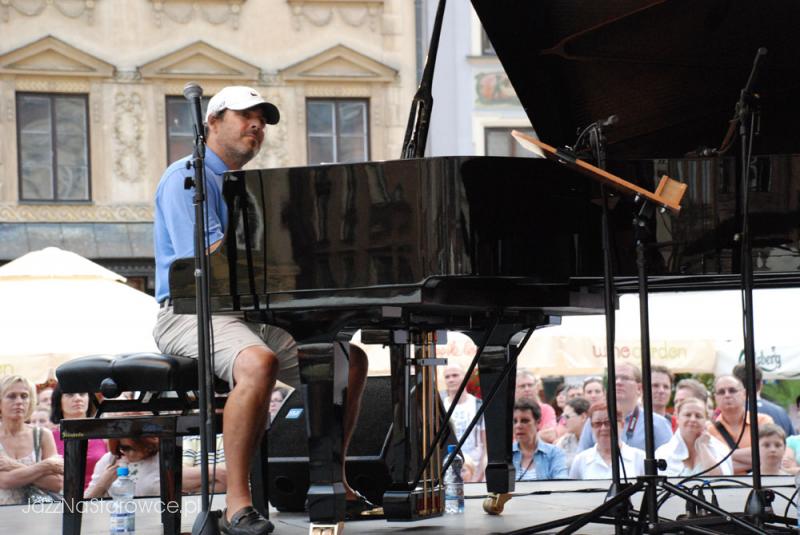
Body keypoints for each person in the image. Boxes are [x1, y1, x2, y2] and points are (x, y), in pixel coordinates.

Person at [153, 85, 372, 532]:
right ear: (212, 121)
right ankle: (237, 503)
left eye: (262, 119)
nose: (256, 124)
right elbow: (208, 260)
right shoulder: (186, 177)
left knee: (349, 362)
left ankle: (333, 483)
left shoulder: (250, 187)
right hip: (188, 311)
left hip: (248, 314)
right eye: (244, 115)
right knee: (258, 362)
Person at [577, 363, 672, 452]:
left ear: (639, 388)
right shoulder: (595, 420)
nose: (618, 382)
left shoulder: (656, 423)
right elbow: (582, 458)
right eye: (615, 378)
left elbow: (669, 460)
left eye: (625, 378)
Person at [0, 375, 64, 505]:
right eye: (12, 396)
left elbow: (56, 483)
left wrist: (13, 465)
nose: (19, 401)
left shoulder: (42, 435)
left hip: (37, 513)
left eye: (24, 396)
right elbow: (5, 481)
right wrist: (46, 466)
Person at [706, 375, 773, 475]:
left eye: (732, 390)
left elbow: (768, 455)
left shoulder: (762, 421)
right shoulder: (709, 430)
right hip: (726, 484)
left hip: (759, 483)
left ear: (744, 394)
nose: (727, 395)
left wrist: (722, 456)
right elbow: (712, 468)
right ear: (715, 398)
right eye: (721, 392)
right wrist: (755, 459)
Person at [49, 384, 107, 491]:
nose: (77, 398)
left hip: (100, 497)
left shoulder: (104, 435)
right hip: (61, 497)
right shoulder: (49, 437)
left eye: (82, 394)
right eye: (70, 394)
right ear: (59, 401)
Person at [655, 397, 732, 477]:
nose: (693, 419)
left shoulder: (720, 449)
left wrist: (703, 447)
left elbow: (721, 480)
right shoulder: (663, 453)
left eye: (698, 416)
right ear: (677, 418)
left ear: (706, 420)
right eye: (687, 415)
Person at [569, 400, 645, 479]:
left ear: (622, 424)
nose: (603, 428)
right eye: (597, 423)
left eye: (608, 423)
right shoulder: (581, 460)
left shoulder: (639, 458)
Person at [441, 363, 487, 481]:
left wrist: (479, 474)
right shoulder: (441, 408)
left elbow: (486, 445)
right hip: (449, 473)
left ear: (465, 377)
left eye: (455, 375)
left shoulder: (478, 405)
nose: (451, 380)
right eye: (447, 377)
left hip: (476, 472)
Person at [732, 363, 795, 437]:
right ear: (761, 383)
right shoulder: (781, 412)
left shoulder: (732, 412)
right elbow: (791, 442)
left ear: (735, 384)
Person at [512, 399, 568, 480]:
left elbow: (561, 483)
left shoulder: (554, 453)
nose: (518, 426)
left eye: (525, 421)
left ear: (538, 423)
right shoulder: (505, 455)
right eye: (515, 421)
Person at [85, 437, 160, 498]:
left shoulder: (160, 458)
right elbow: (84, 505)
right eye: (125, 448)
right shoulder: (109, 460)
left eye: (137, 448)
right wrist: (103, 484)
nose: (132, 454)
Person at [516, 370, 557, 443]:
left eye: (530, 385)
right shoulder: (509, 412)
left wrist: (521, 439)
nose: (527, 389)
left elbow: (549, 436)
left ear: (537, 388)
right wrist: (537, 436)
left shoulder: (546, 409)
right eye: (522, 386)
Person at [555, 397, 590, 469]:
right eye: (563, 417)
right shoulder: (565, 441)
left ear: (583, 417)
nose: (564, 422)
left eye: (567, 417)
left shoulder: (596, 440)